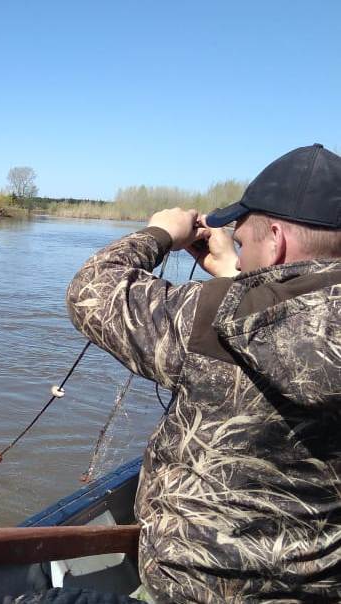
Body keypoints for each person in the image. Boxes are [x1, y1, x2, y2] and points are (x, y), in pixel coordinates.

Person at [65, 144, 341, 602]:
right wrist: (237, 273)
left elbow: (90, 290)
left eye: (243, 240)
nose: (240, 250)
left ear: (276, 239)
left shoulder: (214, 316)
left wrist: (159, 233)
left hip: (194, 588)